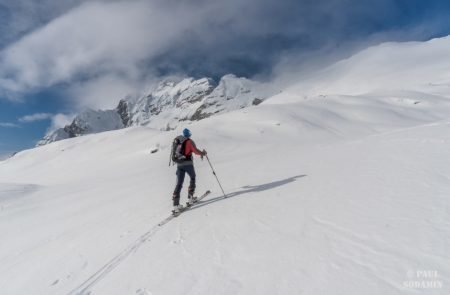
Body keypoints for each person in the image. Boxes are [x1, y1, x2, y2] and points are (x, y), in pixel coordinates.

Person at [172, 128, 207, 213]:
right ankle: (190, 198)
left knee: (179, 184)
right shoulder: (189, 142)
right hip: (188, 164)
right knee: (193, 178)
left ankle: (176, 205)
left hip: (179, 165)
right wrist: (203, 153)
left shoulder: (178, 141)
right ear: (189, 134)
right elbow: (195, 151)